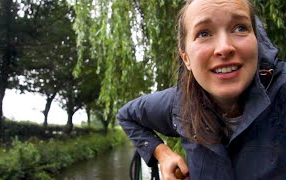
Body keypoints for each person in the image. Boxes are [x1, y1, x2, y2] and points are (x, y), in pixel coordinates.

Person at [117, 0, 286, 179]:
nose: (224, 48)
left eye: (240, 28)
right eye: (204, 33)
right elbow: (127, 116)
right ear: (186, 58)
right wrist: (162, 154)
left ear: (256, 42)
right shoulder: (178, 103)